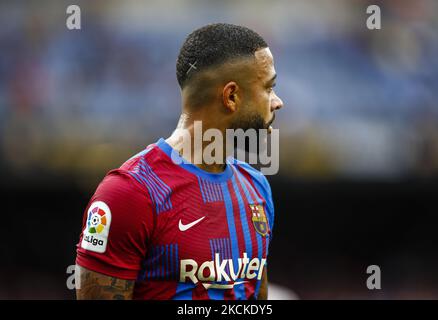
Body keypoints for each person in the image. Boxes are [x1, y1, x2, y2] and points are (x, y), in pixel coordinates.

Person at [75, 23, 284, 300]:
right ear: (231, 96)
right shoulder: (130, 193)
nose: (277, 101)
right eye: (269, 88)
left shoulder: (257, 188)